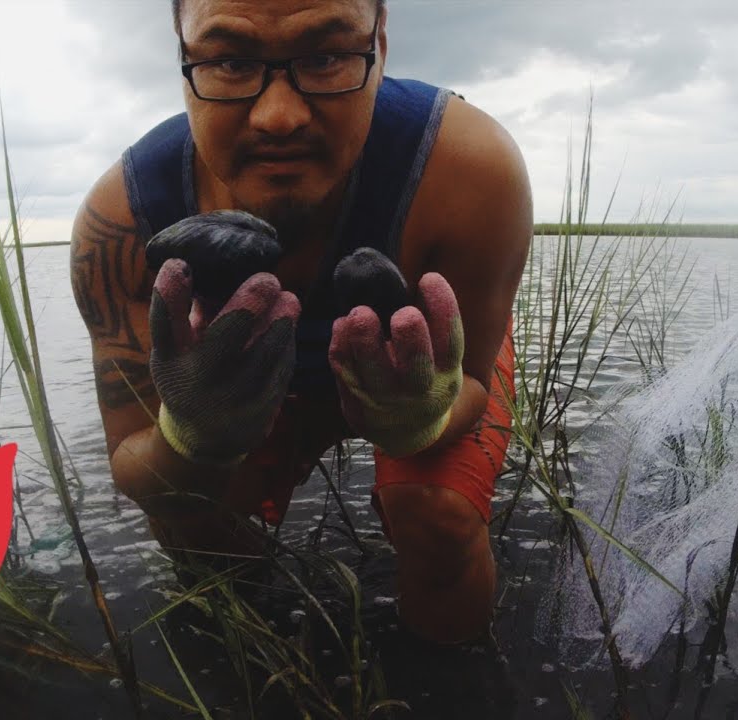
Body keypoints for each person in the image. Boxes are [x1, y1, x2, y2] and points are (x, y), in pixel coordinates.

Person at [70, 0, 532, 645]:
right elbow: (137, 466)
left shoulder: (467, 168)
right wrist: (192, 433)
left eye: (325, 56)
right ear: (182, 56)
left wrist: (420, 418)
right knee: (196, 525)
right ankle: (258, 661)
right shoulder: (125, 218)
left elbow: (475, 382)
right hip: (251, 374)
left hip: (421, 363)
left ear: (381, 45)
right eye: (230, 60)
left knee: (438, 519)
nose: (278, 117)